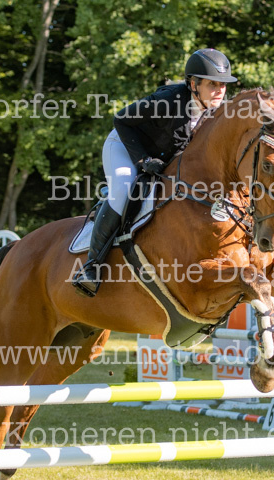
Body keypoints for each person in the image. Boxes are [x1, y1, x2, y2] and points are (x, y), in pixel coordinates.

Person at [72, 48, 238, 297]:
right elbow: (121, 120)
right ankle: (92, 266)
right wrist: (142, 160)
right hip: (125, 146)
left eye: (223, 85)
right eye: (212, 84)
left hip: (162, 157)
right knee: (124, 190)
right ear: (193, 84)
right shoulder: (168, 100)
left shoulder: (217, 112)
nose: (219, 91)